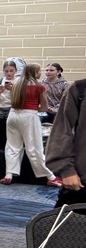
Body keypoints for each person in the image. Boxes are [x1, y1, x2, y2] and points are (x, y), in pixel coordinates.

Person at [2, 63, 61, 187]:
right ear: (35, 73)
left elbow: (14, 102)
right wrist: (33, 109)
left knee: (12, 146)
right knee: (34, 148)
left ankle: (9, 174)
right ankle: (50, 176)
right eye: (39, 71)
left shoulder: (16, 85)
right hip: (29, 116)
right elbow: (44, 107)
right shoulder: (40, 87)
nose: (41, 73)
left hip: (12, 115)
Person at [45, 76, 86, 207]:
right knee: (70, 226)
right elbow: (61, 130)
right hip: (81, 182)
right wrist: (66, 170)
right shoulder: (80, 90)